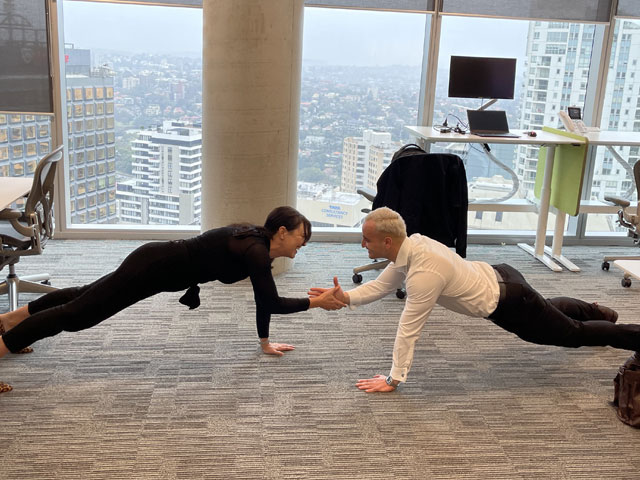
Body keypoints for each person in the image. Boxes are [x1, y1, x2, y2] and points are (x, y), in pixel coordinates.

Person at [0, 206, 346, 393]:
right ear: (282, 232)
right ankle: (7, 341)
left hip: (155, 264)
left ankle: (13, 319)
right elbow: (271, 302)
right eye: (302, 237)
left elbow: (262, 300)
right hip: (154, 266)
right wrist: (317, 302)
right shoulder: (255, 250)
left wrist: (265, 341)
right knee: (79, 314)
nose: (304, 244)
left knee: (86, 297)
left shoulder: (259, 245)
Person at [309, 207, 640, 393]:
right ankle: (599, 311)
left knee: (572, 334)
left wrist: (394, 378)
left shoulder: (424, 272)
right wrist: (346, 297)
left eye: (366, 241)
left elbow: (408, 329)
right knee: (547, 307)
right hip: (503, 277)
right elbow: (380, 287)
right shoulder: (412, 246)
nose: (363, 246)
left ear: (385, 240)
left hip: (508, 302)